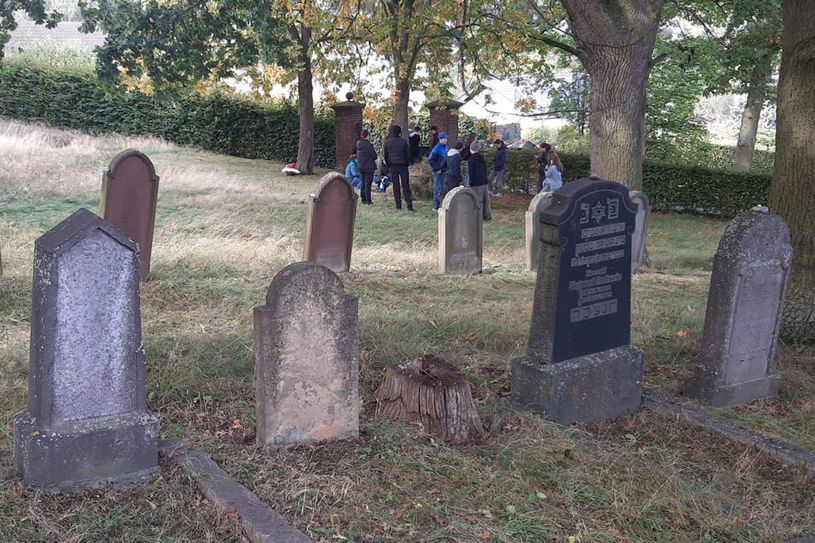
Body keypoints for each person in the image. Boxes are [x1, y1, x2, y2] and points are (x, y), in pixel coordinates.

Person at [383, 124, 414, 211]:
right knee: (405, 185)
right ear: (400, 132)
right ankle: (409, 204)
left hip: (393, 165)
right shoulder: (403, 141)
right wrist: (407, 163)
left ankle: (398, 205)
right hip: (403, 165)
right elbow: (407, 154)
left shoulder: (387, 142)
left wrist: (388, 164)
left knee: (395, 185)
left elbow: (385, 155)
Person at [467, 141, 491, 221]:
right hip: (484, 181)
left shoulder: (471, 160)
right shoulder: (482, 157)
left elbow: (471, 172)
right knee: (486, 199)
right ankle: (487, 215)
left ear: (471, 149)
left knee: (478, 199)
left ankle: (479, 216)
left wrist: (471, 183)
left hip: (476, 183)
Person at [428, 131, 449, 211]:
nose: (446, 140)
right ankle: (435, 206)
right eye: (444, 138)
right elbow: (430, 160)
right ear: (440, 139)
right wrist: (437, 168)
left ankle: (439, 205)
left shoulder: (446, 147)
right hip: (438, 171)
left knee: (441, 189)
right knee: (438, 189)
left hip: (444, 171)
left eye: (446, 138)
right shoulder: (437, 148)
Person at [356, 130, 377, 205]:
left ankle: (363, 199)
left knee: (362, 183)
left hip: (361, 166)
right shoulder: (369, 145)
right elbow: (374, 156)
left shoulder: (358, 144)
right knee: (368, 184)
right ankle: (368, 200)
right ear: (367, 135)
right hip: (369, 166)